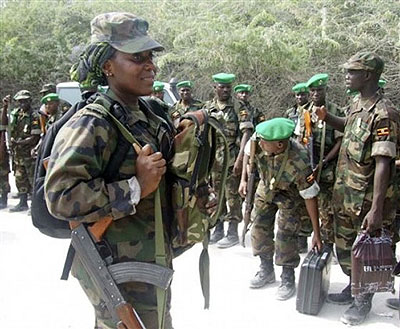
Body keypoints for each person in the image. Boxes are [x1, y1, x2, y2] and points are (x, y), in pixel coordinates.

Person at [44, 12, 215, 329]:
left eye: (150, 56)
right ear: (108, 65)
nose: (150, 65)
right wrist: (135, 186)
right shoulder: (92, 123)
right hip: (118, 272)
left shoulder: (149, 113)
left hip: (152, 263)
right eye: (137, 57)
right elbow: (62, 198)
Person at [316, 51, 399, 325]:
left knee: (366, 248)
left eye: (352, 72)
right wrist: (327, 118)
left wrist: (376, 210)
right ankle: (354, 287)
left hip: (366, 198)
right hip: (345, 193)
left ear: (368, 75)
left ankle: (363, 300)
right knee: (345, 245)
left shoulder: (384, 114)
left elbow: (383, 163)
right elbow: (348, 127)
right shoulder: (356, 103)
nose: (347, 76)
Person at [239, 118, 322, 299]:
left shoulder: (299, 160)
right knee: (259, 226)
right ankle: (266, 269)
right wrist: (243, 180)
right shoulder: (258, 140)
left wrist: (317, 232)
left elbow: (310, 196)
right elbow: (248, 150)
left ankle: (287, 276)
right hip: (266, 186)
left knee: (286, 233)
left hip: (290, 193)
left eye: (264, 142)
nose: (260, 143)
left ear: (279, 144)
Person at [301, 73, 344, 250]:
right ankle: (306, 238)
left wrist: (324, 161)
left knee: (326, 209)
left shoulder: (335, 111)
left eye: (320, 90)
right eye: (313, 91)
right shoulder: (304, 112)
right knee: (308, 203)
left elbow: (340, 140)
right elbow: (300, 138)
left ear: (326, 90)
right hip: (309, 165)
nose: (316, 93)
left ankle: (326, 244)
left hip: (328, 166)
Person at [204, 73, 243, 248]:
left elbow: (245, 135)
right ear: (215, 88)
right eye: (222, 87)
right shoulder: (207, 108)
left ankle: (232, 231)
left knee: (232, 196)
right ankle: (218, 228)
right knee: (217, 195)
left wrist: (241, 160)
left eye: (228, 87)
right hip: (213, 162)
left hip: (232, 159)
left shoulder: (238, 107)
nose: (226, 90)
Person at [285, 82, 312, 253]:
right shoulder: (290, 113)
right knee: (295, 201)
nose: (300, 97)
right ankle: (297, 236)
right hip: (294, 161)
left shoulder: (311, 112)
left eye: (303, 94)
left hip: (310, 160)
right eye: (298, 95)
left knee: (309, 201)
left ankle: (305, 235)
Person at [9, 90, 41, 212]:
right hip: (18, 154)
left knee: (32, 179)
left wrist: (19, 142)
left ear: (29, 101)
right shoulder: (16, 114)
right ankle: (22, 203)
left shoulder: (34, 116)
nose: (22, 104)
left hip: (29, 153)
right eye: (20, 101)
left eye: (25, 101)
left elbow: (35, 137)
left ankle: (35, 206)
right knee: (20, 178)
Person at [0, 95, 11, 209]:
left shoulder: (2, 113)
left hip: (1, 148)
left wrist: (5, 107)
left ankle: (4, 199)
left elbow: (3, 129)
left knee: (2, 174)